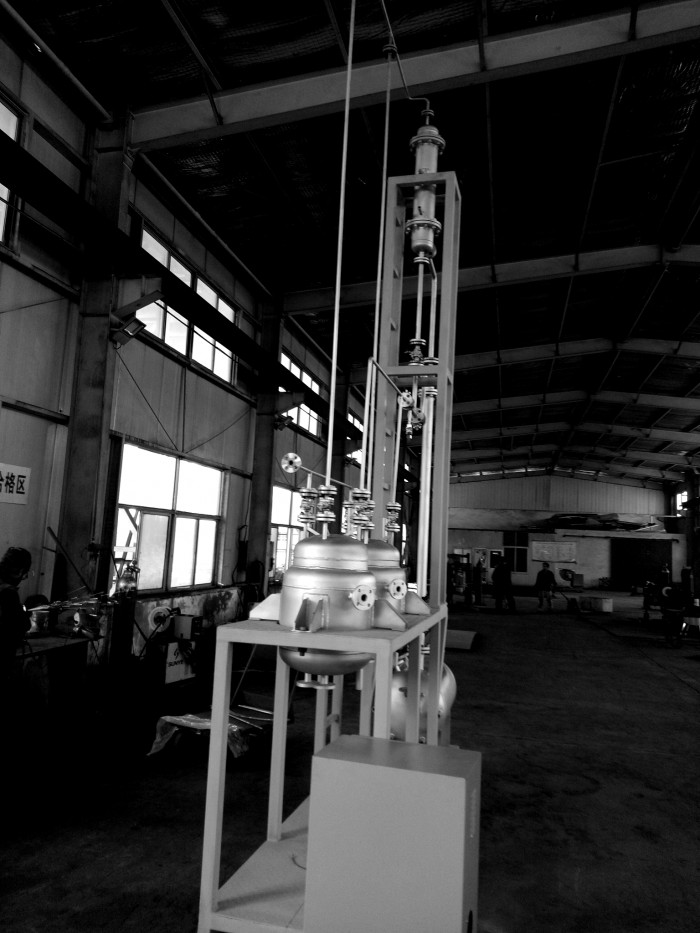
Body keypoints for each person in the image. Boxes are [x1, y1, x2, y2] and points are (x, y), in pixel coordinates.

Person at [0, 546, 32, 686]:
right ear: (19, 571)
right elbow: (21, 626)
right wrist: (25, 616)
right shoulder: (8, 593)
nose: (24, 578)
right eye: (24, 573)